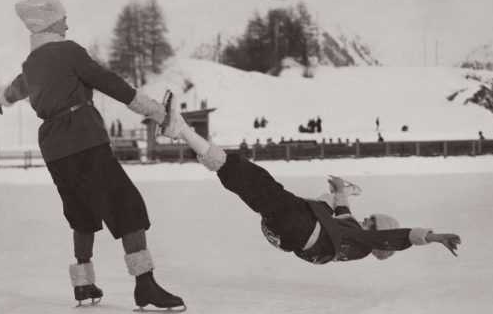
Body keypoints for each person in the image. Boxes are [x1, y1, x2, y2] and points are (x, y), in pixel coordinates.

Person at [0, 0, 184, 311]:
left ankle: (83, 283)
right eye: (63, 19)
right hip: (82, 137)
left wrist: (3, 101)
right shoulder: (68, 52)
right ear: (51, 23)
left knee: (81, 210)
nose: (67, 25)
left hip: (54, 149)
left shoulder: (31, 64)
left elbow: (16, 87)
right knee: (126, 205)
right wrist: (154, 110)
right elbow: (108, 82)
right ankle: (145, 285)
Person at [160, 92, 461, 264]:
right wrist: (341, 189)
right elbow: (342, 209)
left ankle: (182, 131)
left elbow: (403, 236)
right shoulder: (353, 236)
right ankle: (184, 133)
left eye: (371, 220)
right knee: (251, 181)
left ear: (378, 232)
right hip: (294, 232)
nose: (365, 220)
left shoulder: (367, 242)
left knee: (250, 179)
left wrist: (435, 237)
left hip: (300, 225)